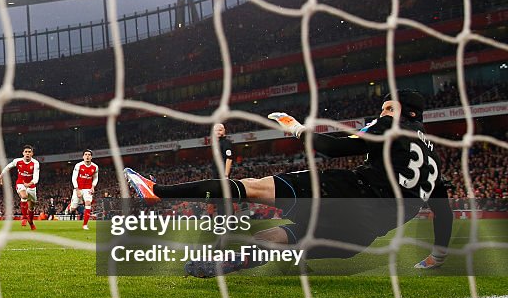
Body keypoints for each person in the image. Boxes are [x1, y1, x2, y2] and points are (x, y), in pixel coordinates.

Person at [125, 90, 453, 276]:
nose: (381, 112)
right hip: (363, 236)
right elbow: (445, 214)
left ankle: (157, 192)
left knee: (253, 187)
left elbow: (332, 148)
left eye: (388, 107)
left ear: (407, 113)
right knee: (279, 240)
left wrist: (297, 128)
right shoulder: (433, 161)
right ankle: (245, 262)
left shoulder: (387, 127)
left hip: (348, 194)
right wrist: (437, 257)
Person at [0, 144, 40, 230]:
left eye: (29, 152)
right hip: (20, 183)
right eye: (26, 152)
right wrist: (0, 177)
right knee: (24, 196)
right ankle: (24, 217)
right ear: (23, 153)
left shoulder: (35, 163)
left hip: (31, 185)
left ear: (32, 153)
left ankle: (31, 222)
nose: (27, 153)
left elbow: (36, 177)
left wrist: (30, 183)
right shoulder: (17, 161)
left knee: (31, 207)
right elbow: (7, 167)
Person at [68, 149, 99, 230]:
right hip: (78, 188)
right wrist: (77, 190)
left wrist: (93, 187)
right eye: (86, 154)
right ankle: (70, 207)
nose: (87, 156)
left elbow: (95, 178)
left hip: (88, 189)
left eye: (89, 155)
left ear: (91, 157)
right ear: (83, 156)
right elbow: (74, 178)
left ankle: (85, 225)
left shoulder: (95, 167)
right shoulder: (78, 165)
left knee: (88, 203)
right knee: (73, 208)